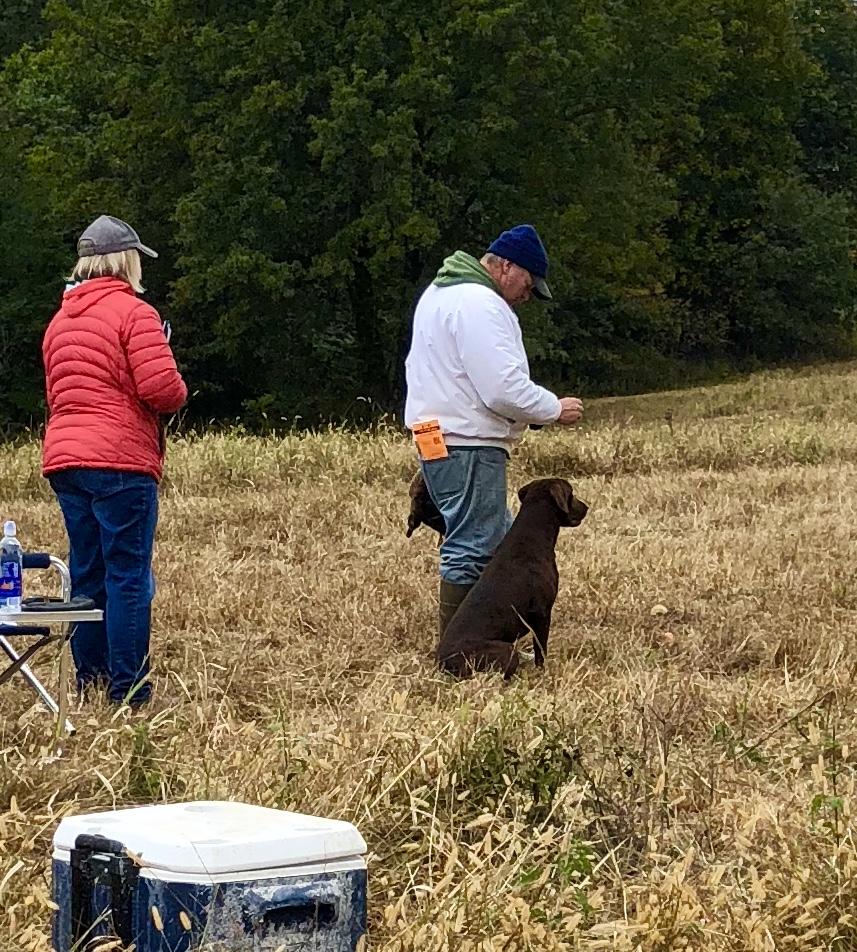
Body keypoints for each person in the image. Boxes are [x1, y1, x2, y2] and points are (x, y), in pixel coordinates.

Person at [404, 224, 583, 636]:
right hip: (469, 442)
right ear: (505, 266)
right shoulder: (480, 304)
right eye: (527, 282)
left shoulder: (440, 294)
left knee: (491, 532)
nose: (528, 294)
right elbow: (502, 388)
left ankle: (487, 627)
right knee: (474, 544)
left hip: (435, 437)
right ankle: (462, 647)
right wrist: (552, 408)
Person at [41, 215, 188, 705]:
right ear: (126, 261)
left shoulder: (59, 320)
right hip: (121, 459)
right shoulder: (134, 313)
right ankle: (129, 690)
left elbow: (56, 395)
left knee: (88, 573)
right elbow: (162, 391)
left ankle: (91, 679)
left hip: (66, 459)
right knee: (128, 575)